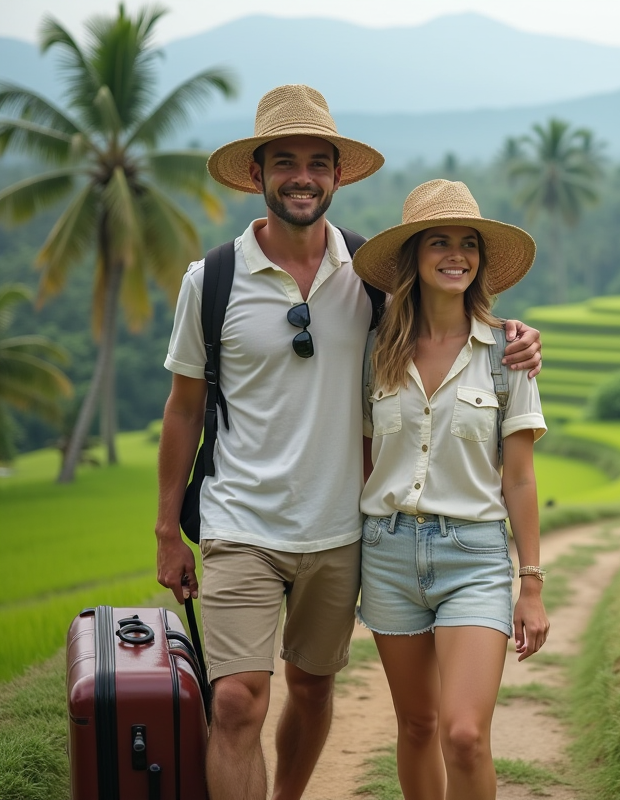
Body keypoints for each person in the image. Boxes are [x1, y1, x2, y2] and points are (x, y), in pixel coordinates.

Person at [153, 86, 542, 800]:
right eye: (286, 162)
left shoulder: (367, 281)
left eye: (317, 163)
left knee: (310, 685)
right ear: (257, 174)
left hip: (340, 531)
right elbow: (182, 412)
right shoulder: (210, 281)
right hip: (239, 521)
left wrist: (516, 337)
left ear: (337, 176)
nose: (302, 176)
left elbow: (448, 311)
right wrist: (166, 532)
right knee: (238, 700)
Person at [353, 179, 548, 800]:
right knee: (416, 725)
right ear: (413, 256)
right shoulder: (375, 350)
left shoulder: (506, 354)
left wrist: (533, 584)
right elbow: (360, 457)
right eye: (439, 241)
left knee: (464, 735)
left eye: (468, 243)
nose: (455, 254)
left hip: (474, 557)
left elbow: (518, 475)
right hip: (386, 555)